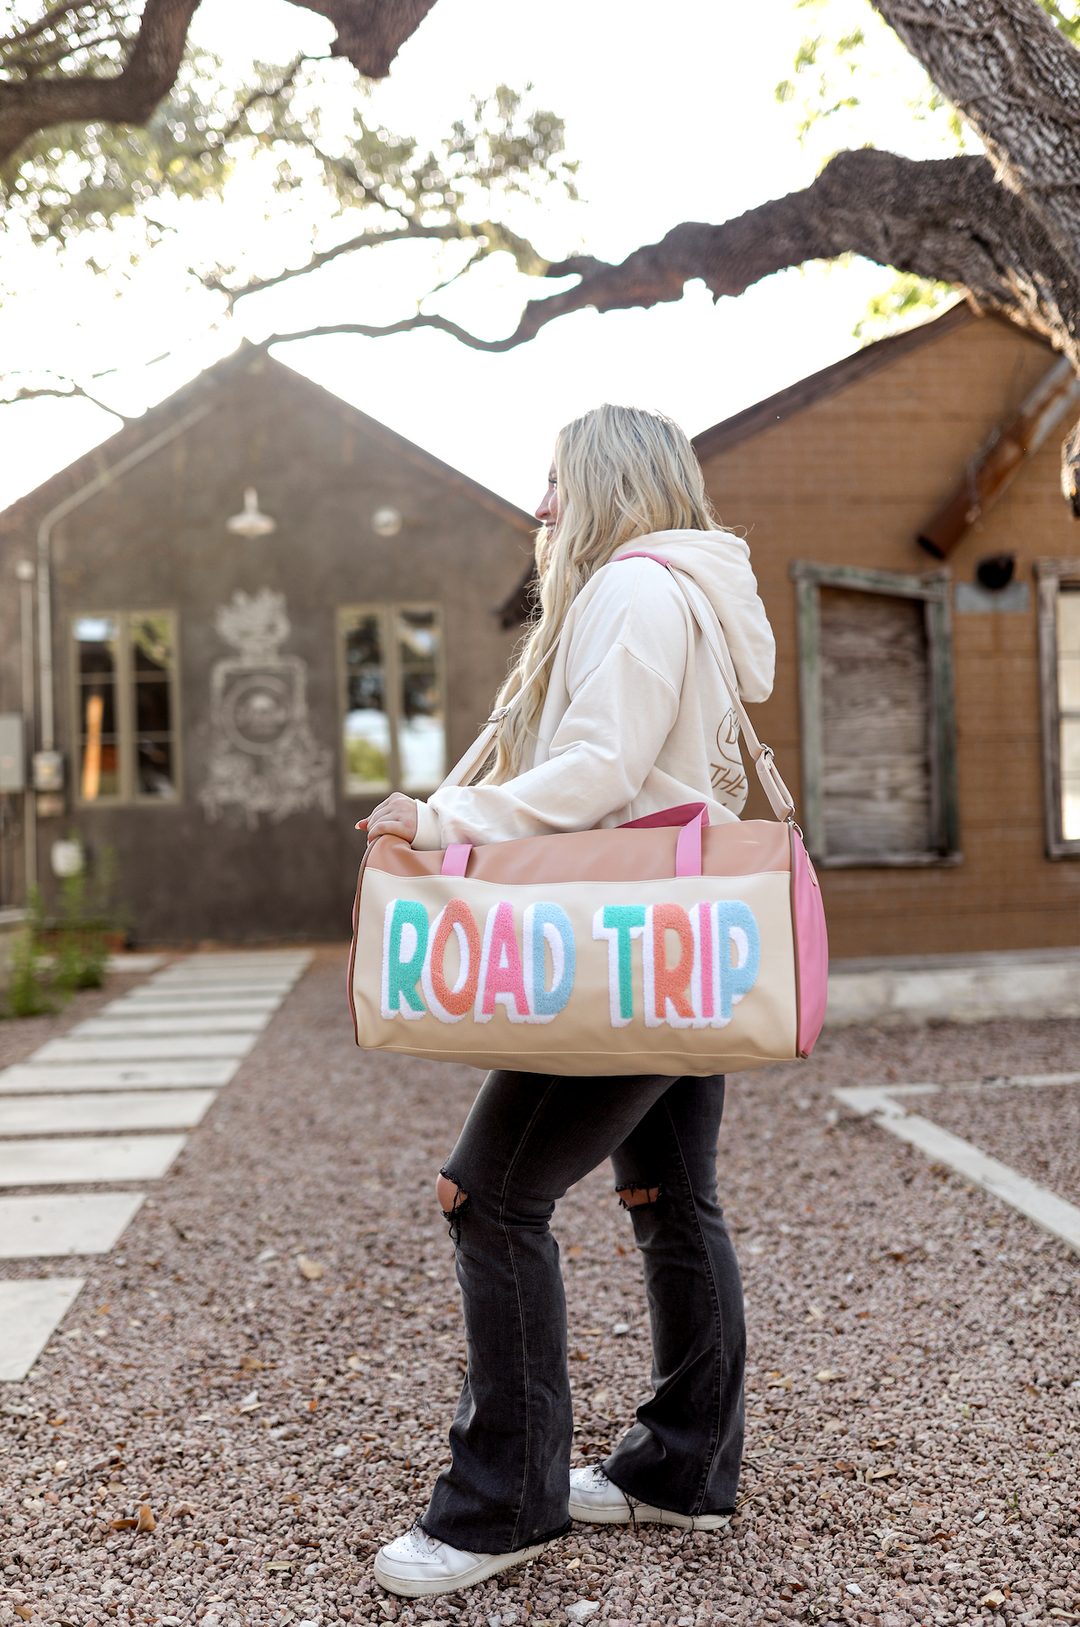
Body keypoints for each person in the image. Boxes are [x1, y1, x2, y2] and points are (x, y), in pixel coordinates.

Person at [359, 403, 775, 1600]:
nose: (541, 508)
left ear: (604, 484)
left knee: (487, 1197)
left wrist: (444, 820)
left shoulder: (633, 592)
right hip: (681, 939)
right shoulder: (684, 588)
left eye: (554, 484)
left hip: (623, 942)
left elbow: (597, 769)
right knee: (671, 1195)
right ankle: (680, 1468)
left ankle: (504, 1506)